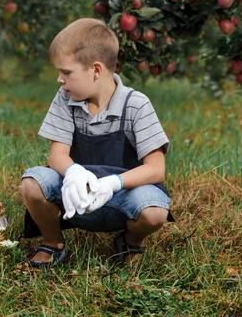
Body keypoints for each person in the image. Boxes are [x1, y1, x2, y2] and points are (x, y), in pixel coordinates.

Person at [20, 18, 174, 269]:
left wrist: (113, 183)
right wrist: (73, 172)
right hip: (77, 195)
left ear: (96, 70)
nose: (60, 80)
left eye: (66, 72)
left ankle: (130, 241)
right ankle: (53, 244)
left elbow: (156, 169)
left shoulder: (136, 104)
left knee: (155, 211)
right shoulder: (65, 99)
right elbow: (57, 155)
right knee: (33, 182)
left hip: (124, 196)